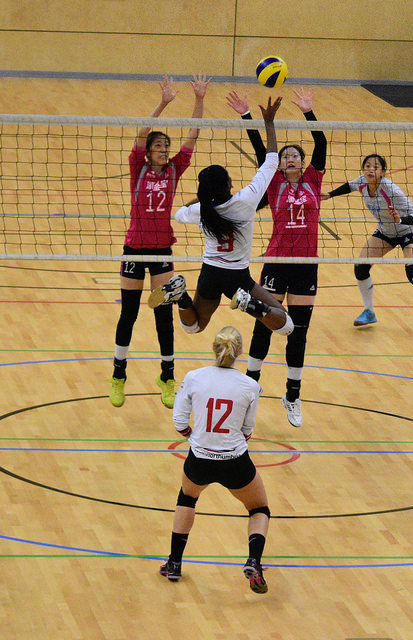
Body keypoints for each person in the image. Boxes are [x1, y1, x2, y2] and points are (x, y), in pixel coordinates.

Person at [147, 97, 294, 342]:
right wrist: (268, 121)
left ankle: (181, 296)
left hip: (210, 274)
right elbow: (271, 160)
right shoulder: (246, 201)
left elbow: (179, 213)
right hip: (238, 276)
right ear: (228, 185)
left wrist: (202, 201)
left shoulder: (201, 211)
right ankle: (250, 305)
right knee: (285, 324)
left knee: (193, 328)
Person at [226, 87, 327, 428]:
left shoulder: (314, 178)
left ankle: (293, 396)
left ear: (303, 162)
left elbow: (322, 144)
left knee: (298, 331)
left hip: (306, 266)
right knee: (266, 325)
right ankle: (251, 390)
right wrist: (246, 116)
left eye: (295, 155)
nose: (291, 158)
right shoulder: (273, 184)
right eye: (285, 156)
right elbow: (261, 150)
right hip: (276, 261)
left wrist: (309, 112)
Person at [110, 74, 210, 410]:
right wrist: (165, 101)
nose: (164, 151)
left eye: (166, 147)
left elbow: (193, 135)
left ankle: (167, 376)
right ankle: (118, 375)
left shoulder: (174, 170)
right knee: (130, 313)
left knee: (162, 312)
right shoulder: (136, 167)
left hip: (161, 251)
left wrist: (199, 98)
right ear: (148, 152)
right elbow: (141, 131)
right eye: (158, 147)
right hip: (134, 248)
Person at [159, 326, 270, 593]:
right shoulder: (251, 386)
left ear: (214, 348)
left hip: (199, 459)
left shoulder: (194, 377)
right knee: (259, 509)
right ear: (239, 352)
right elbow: (247, 430)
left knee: (187, 498)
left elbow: (179, 421)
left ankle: (174, 563)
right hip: (235, 462)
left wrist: (196, 439)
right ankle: (254, 560)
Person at [323, 154, 413, 333]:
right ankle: (369, 312)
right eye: (368, 166)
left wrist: (401, 220)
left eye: (375, 167)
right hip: (386, 233)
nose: (371, 169)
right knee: (361, 267)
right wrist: (330, 195)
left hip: (407, 232)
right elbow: (350, 185)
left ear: (383, 172)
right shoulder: (363, 181)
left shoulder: (391, 190)